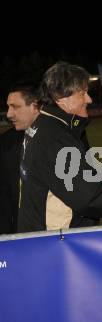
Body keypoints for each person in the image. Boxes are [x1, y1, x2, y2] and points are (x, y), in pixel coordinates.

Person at [18, 62, 102, 233]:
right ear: (61, 97)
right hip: (56, 244)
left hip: (42, 236)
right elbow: (90, 196)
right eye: (83, 93)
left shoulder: (44, 125)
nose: (89, 99)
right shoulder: (56, 137)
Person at [0, 83, 40, 234]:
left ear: (34, 106)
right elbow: (4, 195)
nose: (9, 114)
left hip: (56, 235)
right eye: (8, 107)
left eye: (15, 107)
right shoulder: (6, 142)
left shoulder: (61, 138)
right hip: (18, 235)